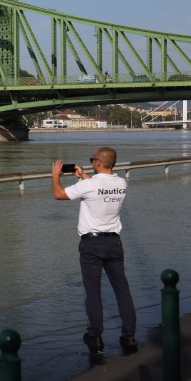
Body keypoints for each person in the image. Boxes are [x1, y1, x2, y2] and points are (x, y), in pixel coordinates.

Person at [52, 147, 137, 355]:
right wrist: (83, 176)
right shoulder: (122, 184)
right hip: (114, 243)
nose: (91, 162)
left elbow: (59, 194)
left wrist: (55, 176)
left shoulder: (90, 185)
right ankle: (128, 336)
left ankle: (95, 337)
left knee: (93, 292)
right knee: (122, 291)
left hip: (92, 245)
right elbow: (101, 187)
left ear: (98, 162)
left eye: (92, 160)